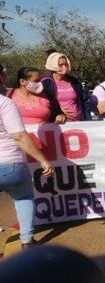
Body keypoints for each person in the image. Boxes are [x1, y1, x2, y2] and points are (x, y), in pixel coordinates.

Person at [0, 93, 54, 248]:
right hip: (9, 162)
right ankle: (27, 241)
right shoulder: (5, 103)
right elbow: (18, 135)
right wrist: (42, 160)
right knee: (23, 197)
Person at [41, 52, 86, 121]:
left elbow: (82, 99)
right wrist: (57, 111)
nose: (64, 67)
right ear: (53, 65)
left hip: (77, 122)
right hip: (57, 123)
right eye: (61, 65)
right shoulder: (46, 82)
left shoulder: (73, 81)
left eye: (66, 64)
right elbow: (41, 102)